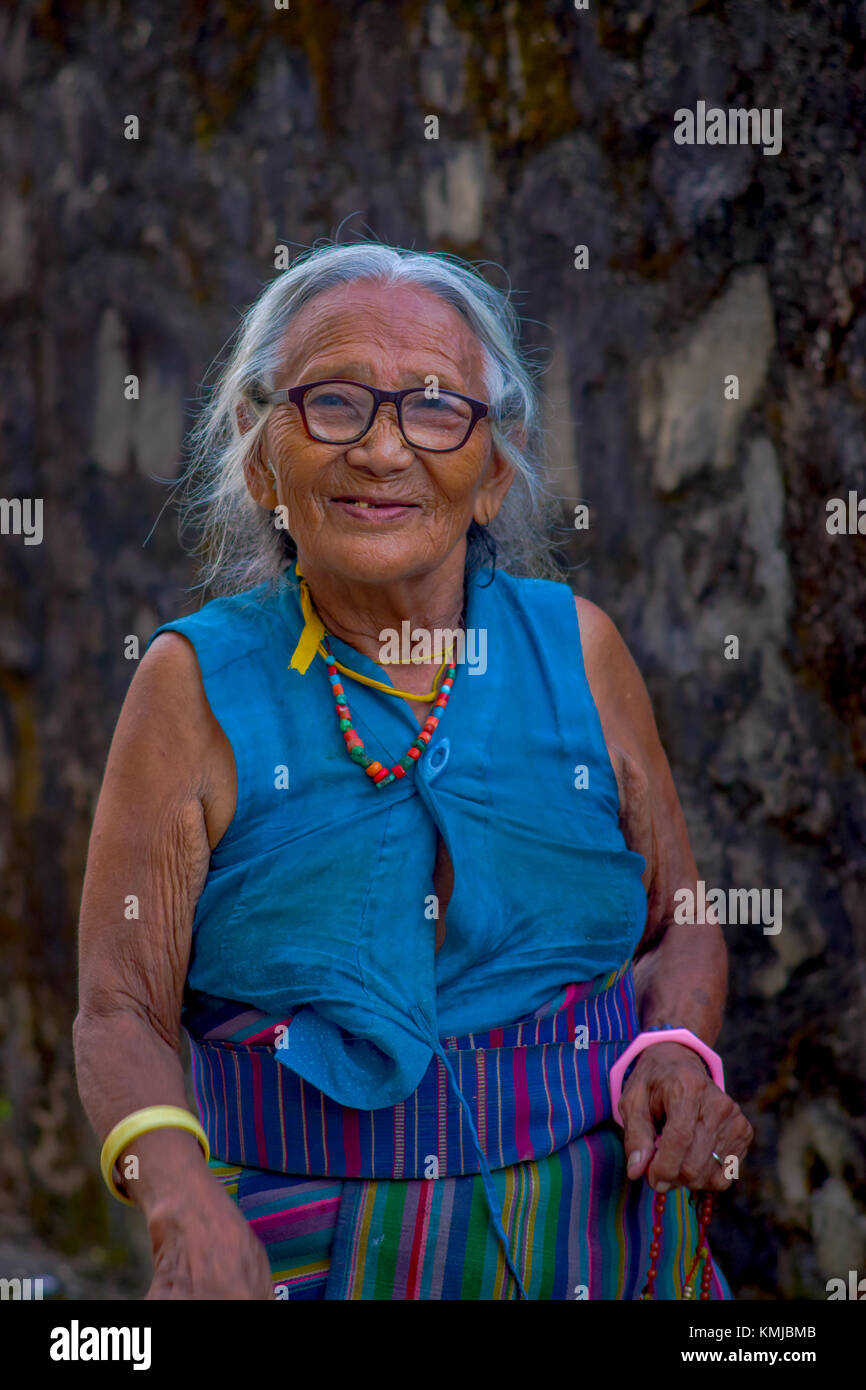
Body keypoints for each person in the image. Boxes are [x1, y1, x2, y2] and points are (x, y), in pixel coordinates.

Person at [74, 241, 753, 1300]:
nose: (382, 450)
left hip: (599, 1235)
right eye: (333, 403)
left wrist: (672, 1051)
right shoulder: (191, 684)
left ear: (492, 468)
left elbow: (679, 921)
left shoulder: (577, 650)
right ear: (260, 460)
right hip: (303, 1241)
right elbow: (119, 1011)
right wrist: (179, 1195)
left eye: (435, 408)